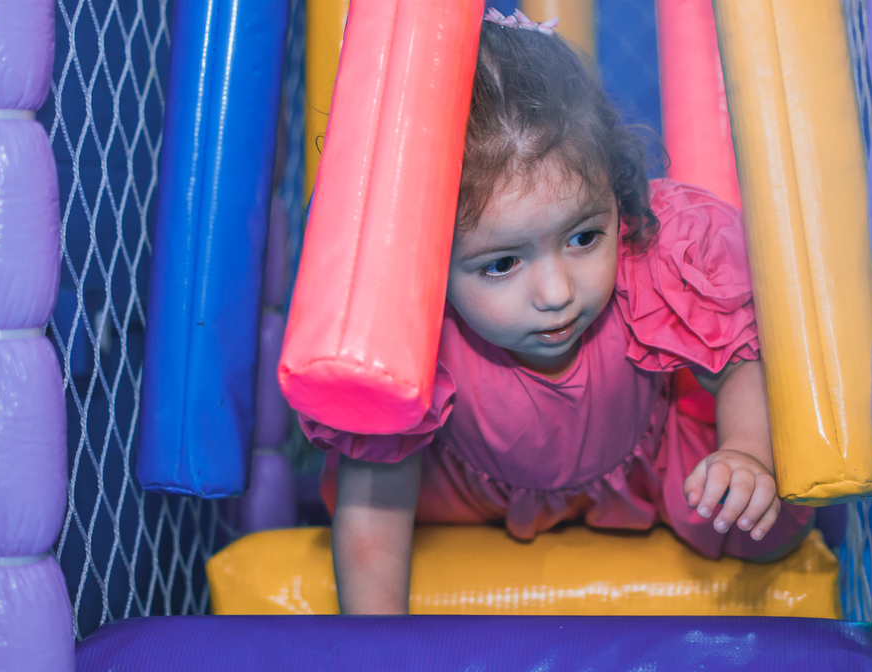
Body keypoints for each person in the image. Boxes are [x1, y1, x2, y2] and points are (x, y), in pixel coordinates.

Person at [299, 8, 813, 614]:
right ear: (426, 257)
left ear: (616, 194)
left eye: (583, 238)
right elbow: (372, 519)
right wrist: (381, 657)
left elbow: (738, 358)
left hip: (647, 465)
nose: (556, 291)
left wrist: (746, 453)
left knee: (767, 527)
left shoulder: (650, 257)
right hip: (464, 492)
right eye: (501, 264)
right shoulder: (412, 332)